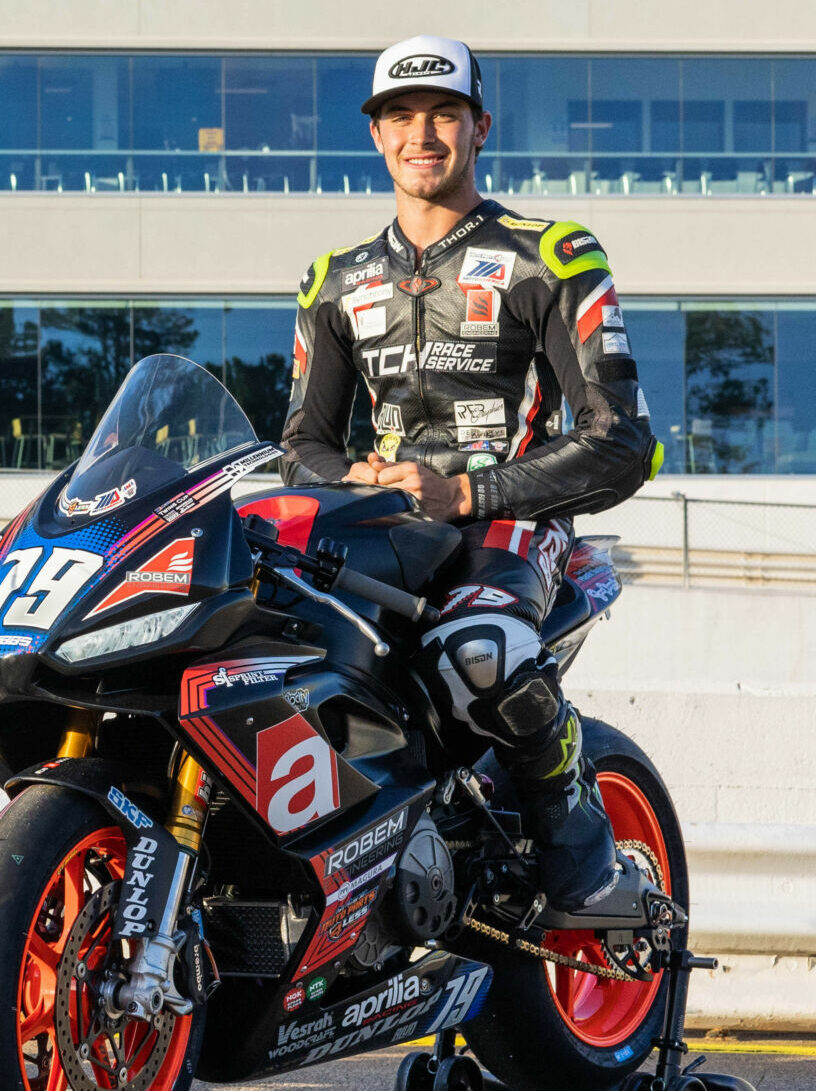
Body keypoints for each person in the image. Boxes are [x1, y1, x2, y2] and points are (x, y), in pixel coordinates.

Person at [279, 35, 664, 915]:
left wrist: (467, 493)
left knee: (480, 652)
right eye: (401, 117)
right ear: (376, 136)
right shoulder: (331, 282)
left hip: (508, 525)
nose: (423, 134)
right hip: (377, 533)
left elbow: (619, 440)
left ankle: (588, 867)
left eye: (443, 114)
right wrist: (354, 478)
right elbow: (300, 444)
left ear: (480, 127)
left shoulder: (553, 255)